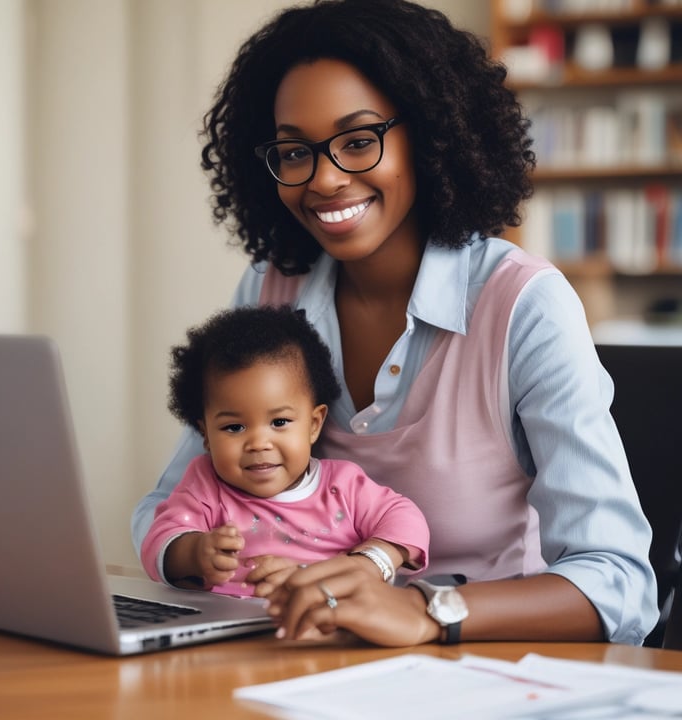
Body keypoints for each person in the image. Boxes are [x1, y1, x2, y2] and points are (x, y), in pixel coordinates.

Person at [133, 0, 659, 646]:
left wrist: (421, 611)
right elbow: (167, 507)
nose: (323, 180)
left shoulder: (523, 307)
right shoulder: (271, 291)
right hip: (301, 667)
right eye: (294, 153)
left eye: (358, 141)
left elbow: (620, 582)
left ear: (431, 135)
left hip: (484, 678)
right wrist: (198, 554)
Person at [140, 304, 430, 597]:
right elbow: (159, 540)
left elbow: (406, 519)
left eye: (279, 422)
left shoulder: (341, 486)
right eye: (234, 427)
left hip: (328, 626)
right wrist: (194, 553)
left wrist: (372, 562)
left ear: (314, 424)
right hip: (228, 631)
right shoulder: (205, 486)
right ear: (205, 435)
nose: (258, 443)